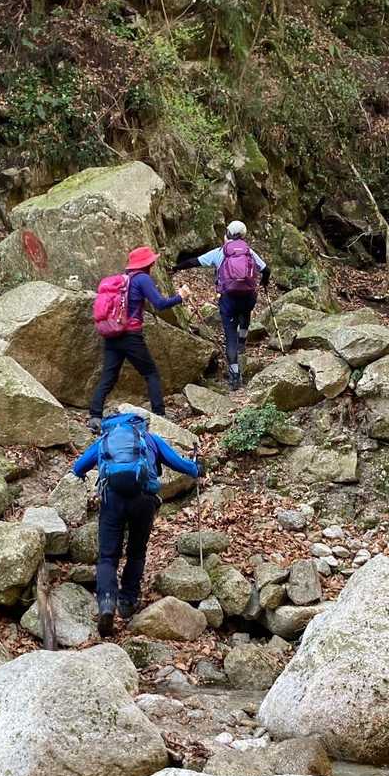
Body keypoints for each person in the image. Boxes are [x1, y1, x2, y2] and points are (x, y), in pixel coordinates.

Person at [72, 410, 201, 635]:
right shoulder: (149, 439)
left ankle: (107, 603)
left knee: (107, 556)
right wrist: (196, 468)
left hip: (112, 500)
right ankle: (128, 601)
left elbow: (78, 467)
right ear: (140, 424)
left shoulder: (104, 440)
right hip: (144, 500)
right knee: (136, 552)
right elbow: (178, 463)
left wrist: (85, 475)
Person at [88, 246, 190, 433]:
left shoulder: (123, 281)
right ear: (147, 264)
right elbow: (159, 304)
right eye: (151, 262)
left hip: (112, 334)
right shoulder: (142, 279)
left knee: (108, 377)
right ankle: (159, 415)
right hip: (131, 336)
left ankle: (95, 416)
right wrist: (180, 297)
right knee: (151, 373)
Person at [175, 220, 270, 389]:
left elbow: (194, 262)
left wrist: (175, 268)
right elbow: (266, 270)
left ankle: (235, 377)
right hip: (248, 297)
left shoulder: (220, 252)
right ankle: (243, 341)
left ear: (227, 234)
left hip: (228, 299)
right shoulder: (248, 252)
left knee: (230, 335)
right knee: (245, 313)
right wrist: (264, 282)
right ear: (243, 236)